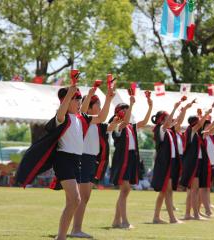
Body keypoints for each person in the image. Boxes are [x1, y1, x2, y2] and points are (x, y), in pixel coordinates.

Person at [16, 84, 112, 240]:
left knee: (72, 201)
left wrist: (108, 98)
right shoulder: (63, 117)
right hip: (64, 160)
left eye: (81, 100)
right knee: (76, 199)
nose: (80, 103)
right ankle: (61, 237)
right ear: (67, 101)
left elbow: (101, 118)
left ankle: (61, 237)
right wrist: (69, 94)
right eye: (77, 100)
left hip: (76, 161)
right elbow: (61, 112)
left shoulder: (82, 118)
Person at [69, 90, 120, 238]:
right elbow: (83, 110)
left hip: (92, 160)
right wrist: (91, 94)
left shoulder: (97, 124)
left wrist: (115, 121)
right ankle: (75, 229)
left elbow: (108, 126)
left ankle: (76, 228)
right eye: (97, 103)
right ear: (90, 107)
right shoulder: (83, 118)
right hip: (83, 159)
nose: (99, 105)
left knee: (84, 198)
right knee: (80, 198)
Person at [110, 95, 153, 229]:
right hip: (122, 160)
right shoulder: (117, 124)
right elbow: (125, 121)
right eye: (125, 110)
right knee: (126, 189)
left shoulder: (130, 126)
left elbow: (145, 122)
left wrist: (150, 106)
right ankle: (124, 221)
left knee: (125, 191)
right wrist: (131, 104)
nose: (128, 112)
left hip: (131, 159)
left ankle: (116, 221)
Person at [150, 100, 183, 224]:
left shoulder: (168, 131)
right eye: (167, 118)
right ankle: (172, 218)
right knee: (167, 191)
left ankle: (156, 217)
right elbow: (168, 123)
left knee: (165, 192)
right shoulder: (160, 129)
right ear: (162, 120)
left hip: (170, 164)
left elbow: (177, 121)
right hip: (164, 165)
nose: (170, 120)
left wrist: (182, 109)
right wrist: (174, 107)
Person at [180, 107, 212, 220]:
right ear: (195, 123)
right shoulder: (191, 131)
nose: (200, 123)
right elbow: (200, 124)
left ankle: (188, 214)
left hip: (195, 163)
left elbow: (206, 129)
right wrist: (207, 113)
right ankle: (195, 215)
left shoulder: (195, 133)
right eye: (198, 121)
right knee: (194, 190)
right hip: (192, 164)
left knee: (193, 190)